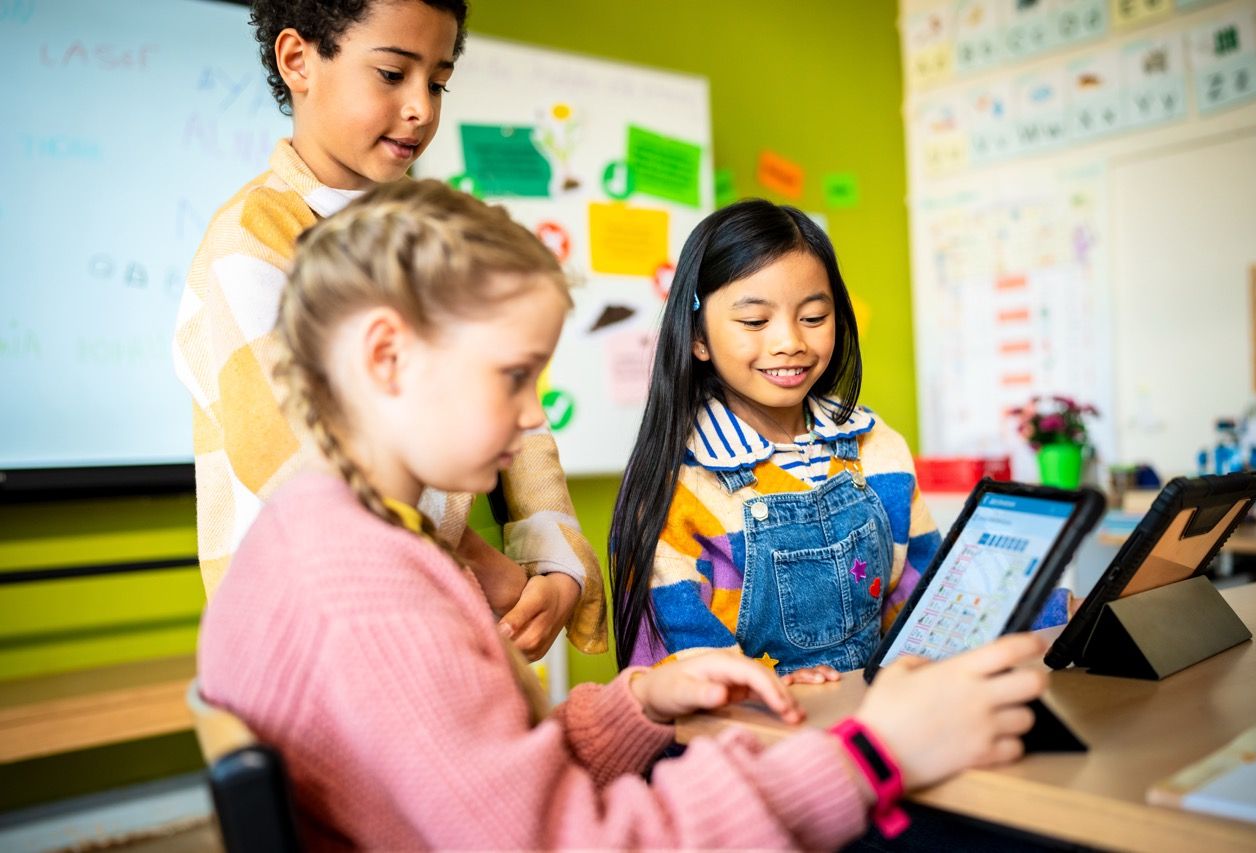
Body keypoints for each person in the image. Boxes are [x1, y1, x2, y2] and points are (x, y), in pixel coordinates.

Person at [199, 180, 1049, 849]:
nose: (537, 415)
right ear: (387, 355)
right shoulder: (367, 595)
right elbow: (585, 842)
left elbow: (486, 779)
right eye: (512, 376)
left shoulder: (329, 530)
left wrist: (641, 698)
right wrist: (870, 753)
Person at [172, 0, 604, 658]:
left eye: (437, 81)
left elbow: (517, 408)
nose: (421, 109)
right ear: (298, 61)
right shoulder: (249, 243)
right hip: (325, 639)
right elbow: (307, 468)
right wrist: (489, 570)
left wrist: (555, 561)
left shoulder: (432, 228)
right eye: (391, 74)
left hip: (453, 630)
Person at [611, 199, 948, 678]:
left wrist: (1050, 609)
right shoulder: (676, 491)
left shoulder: (879, 448)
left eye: (813, 318)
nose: (790, 341)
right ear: (697, 337)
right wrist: (771, 692)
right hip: (749, 744)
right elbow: (676, 676)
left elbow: (928, 601)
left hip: (876, 729)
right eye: (754, 322)